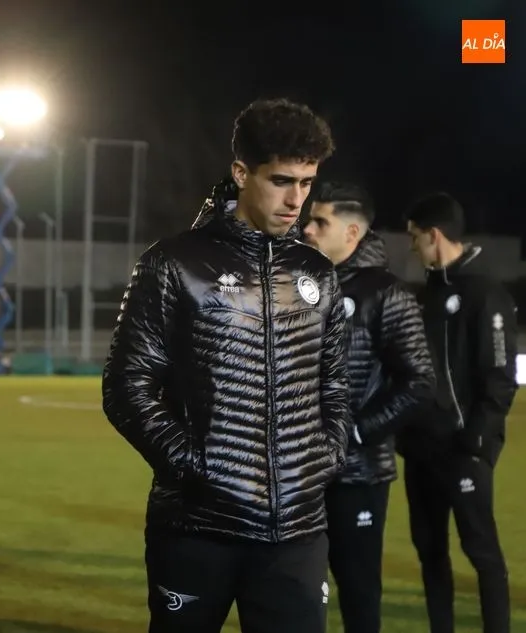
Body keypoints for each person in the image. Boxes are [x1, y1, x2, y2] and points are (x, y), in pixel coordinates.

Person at [102, 98, 349, 633]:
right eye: (281, 181)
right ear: (241, 173)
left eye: (307, 184)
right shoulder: (175, 264)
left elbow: (334, 385)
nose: (296, 200)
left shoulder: (319, 274)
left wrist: (325, 456)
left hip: (297, 530)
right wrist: (197, 468)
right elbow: (126, 387)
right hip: (197, 528)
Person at [302, 182, 435, 633]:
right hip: (298, 473)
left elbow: (420, 382)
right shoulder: (301, 286)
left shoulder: (388, 294)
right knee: (294, 594)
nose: (308, 229)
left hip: (356, 474)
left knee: (358, 594)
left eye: (320, 222)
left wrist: (356, 432)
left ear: (352, 232)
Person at [400, 192, 517, 633]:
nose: (412, 247)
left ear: (434, 236)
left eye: (415, 237)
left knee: (482, 553)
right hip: (422, 452)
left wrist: (476, 440)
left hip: (463, 451)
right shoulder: (425, 295)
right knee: (430, 553)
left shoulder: (484, 293)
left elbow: (500, 378)